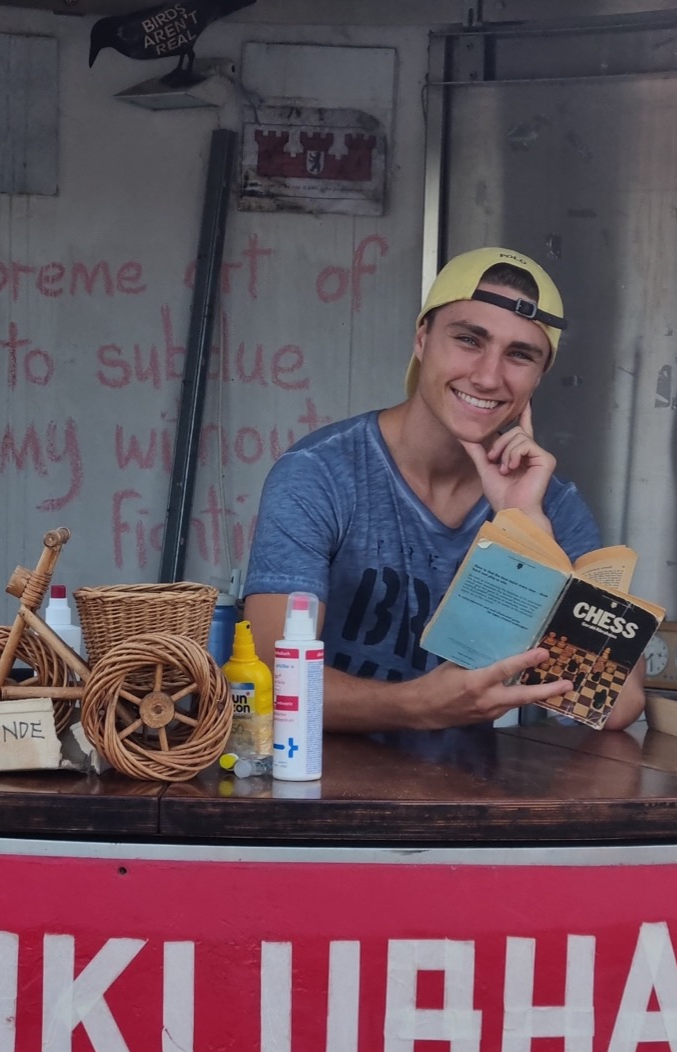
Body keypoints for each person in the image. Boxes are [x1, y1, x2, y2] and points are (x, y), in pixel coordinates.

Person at [243, 246, 645, 732]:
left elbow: (619, 705)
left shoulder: (552, 504)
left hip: (477, 793)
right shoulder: (320, 474)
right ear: (421, 339)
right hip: (322, 782)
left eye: (519, 355)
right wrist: (416, 707)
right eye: (469, 340)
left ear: (539, 376)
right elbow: (270, 675)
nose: (488, 375)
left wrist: (527, 530)